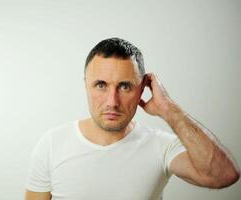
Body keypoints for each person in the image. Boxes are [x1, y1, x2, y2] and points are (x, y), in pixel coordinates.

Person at [25, 38, 240, 200]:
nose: (112, 101)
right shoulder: (52, 144)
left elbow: (224, 175)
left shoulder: (161, 146)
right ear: (85, 85)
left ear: (143, 89)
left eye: (125, 86)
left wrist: (169, 109)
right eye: (101, 85)